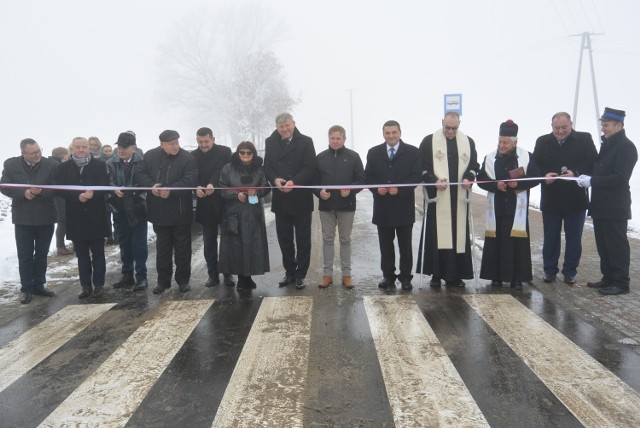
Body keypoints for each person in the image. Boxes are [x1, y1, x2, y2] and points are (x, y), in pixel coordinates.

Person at [577, 107, 638, 295]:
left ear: (618, 125)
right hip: (601, 205)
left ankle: (620, 282)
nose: (603, 128)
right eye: (602, 125)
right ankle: (608, 278)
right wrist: (586, 176)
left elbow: (620, 178)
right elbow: (601, 170)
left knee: (616, 245)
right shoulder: (608, 144)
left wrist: (592, 181)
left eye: (606, 125)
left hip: (615, 206)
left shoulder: (626, 147)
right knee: (603, 244)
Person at [534, 112, 597, 285]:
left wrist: (575, 173)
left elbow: (593, 162)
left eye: (564, 127)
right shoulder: (542, 141)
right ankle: (549, 270)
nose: (560, 131)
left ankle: (570, 271)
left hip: (575, 199)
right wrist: (543, 176)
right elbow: (535, 165)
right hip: (551, 198)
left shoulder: (584, 139)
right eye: (556, 128)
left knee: (574, 238)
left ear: (571, 124)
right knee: (551, 237)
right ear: (551, 126)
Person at [417, 112, 479, 288]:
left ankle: (455, 275)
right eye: (447, 127)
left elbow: (474, 166)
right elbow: (421, 166)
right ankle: (436, 275)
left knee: (457, 236)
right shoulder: (429, 141)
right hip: (437, 197)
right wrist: (433, 181)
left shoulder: (468, 142)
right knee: (436, 235)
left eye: (454, 128)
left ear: (459, 124)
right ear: (442, 122)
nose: (450, 131)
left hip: (458, 199)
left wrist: (469, 178)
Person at [477, 120, 541, 290]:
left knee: (516, 246)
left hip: (516, 210)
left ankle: (517, 278)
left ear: (515, 143)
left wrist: (518, 184)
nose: (501, 145)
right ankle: (495, 276)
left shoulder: (526, 156)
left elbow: (536, 177)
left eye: (505, 142)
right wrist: (495, 185)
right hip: (497, 208)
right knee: (496, 244)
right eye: (499, 141)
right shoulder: (490, 158)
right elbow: (481, 180)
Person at [136, 130, 198, 294]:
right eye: (171, 143)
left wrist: (172, 190)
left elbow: (190, 179)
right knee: (162, 249)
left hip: (180, 211)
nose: (175, 146)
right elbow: (139, 174)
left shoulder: (187, 158)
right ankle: (163, 282)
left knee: (183, 249)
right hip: (159, 212)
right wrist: (151, 186)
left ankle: (183, 280)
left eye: (177, 142)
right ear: (161, 144)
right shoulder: (150, 156)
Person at [365, 120, 422, 290]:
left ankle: (406, 278)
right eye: (387, 133)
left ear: (400, 133)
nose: (391, 136)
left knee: (405, 246)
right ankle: (388, 276)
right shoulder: (373, 152)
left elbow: (416, 176)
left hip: (403, 207)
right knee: (386, 247)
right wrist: (377, 189)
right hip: (382, 208)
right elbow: (368, 177)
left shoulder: (412, 152)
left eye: (394, 132)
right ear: (383, 134)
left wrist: (401, 189)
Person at [264, 113, 317, 289]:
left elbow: (310, 167)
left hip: (300, 197)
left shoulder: (306, 141)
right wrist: (275, 180)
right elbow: (268, 167)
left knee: (303, 240)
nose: (285, 129)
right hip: (281, 198)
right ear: (277, 127)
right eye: (281, 127)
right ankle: (289, 272)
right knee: (284, 239)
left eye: (287, 125)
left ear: (293, 124)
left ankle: (301, 274)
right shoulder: (270, 142)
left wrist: (295, 181)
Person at [1, 138, 58, 304]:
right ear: (23, 153)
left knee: (41, 253)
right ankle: (26, 288)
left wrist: (41, 192)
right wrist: (24, 193)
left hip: (45, 216)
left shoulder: (51, 165)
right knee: (24, 255)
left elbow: (57, 187)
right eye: (33, 153)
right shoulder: (11, 165)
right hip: (23, 217)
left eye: (39, 151)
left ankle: (39, 284)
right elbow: (4, 186)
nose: (38, 155)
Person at [56, 136, 109, 298]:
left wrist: (93, 194)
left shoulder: (100, 165)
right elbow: (60, 190)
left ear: (89, 148)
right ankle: (85, 286)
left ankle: (99, 284)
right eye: (77, 147)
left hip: (97, 216)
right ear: (72, 148)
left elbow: (105, 186)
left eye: (84, 147)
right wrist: (77, 197)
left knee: (99, 253)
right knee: (82, 255)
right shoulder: (64, 168)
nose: (81, 150)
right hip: (76, 217)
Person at [314, 125, 365, 289]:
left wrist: (350, 191)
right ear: (328, 139)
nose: (335, 141)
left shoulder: (353, 157)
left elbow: (361, 180)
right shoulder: (320, 157)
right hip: (326, 206)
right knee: (327, 240)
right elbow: (313, 181)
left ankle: (346, 275)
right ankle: (327, 275)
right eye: (332, 138)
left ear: (344, 139)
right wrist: (319, 192)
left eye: (338, 138)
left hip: (346, 206)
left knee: (345, 240)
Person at [218, 142, 271, 289]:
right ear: (238, 153)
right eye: (242, 152)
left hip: (253, 213)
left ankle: (249, 276)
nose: (246, 155)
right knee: (236, 246)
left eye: (249, 152)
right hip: (234, 213)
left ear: (253, 154)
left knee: (253, 245)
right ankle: (241, 277)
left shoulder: (259, 170)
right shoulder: (228, 168)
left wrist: (257, 192)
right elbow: (221, 188)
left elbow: (266, 187)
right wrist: (236, 195)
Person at [191, 127, 234, 287]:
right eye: (200, 142)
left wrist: (213, 184)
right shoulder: (192, 156)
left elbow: (225, 171)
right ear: (197, 141)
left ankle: (228, 274)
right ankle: (212, 275)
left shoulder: (224, 152)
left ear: (213, 139)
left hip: (224, 203)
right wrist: (196, 187)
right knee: (209, 241)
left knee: (227, 241)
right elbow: (191, 175)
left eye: (206, 141)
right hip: (205, 204)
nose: (203, 145)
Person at [107, 132, 149, 291]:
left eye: (125, 147)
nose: (121, 150)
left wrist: (132, 192)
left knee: (139, 244)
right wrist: (114, 190)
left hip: (137, 207)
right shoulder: (111, 162)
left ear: (134, 148)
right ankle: (127, 275)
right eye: (119, 147)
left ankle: (141, 276)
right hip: (119, 208)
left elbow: (144, 182)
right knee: (124, 244)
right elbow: (108, 180)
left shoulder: (142, 162)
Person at [49, 146, 73, 255]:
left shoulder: (52, 163)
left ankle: (61, 244)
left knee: (63, 220)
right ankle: (60, 246)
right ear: (62, 155)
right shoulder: (56, 165)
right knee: (62, 220)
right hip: (59, 196)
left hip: (59, 196)